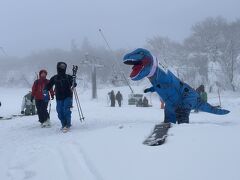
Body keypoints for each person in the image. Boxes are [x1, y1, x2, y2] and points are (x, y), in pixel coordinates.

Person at [45, 62, 77, 132]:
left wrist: (74, 80)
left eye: (64, 66)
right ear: (58, 67)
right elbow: (49, 85)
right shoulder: (55, 77)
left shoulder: (68, 77)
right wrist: (45, 90)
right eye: (61, 66)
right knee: (59, 111)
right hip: (59, 97)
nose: (62, 68)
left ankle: (67, 125)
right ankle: (63, 124)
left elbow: (74, 84)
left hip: (68, 96)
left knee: (66, 110)